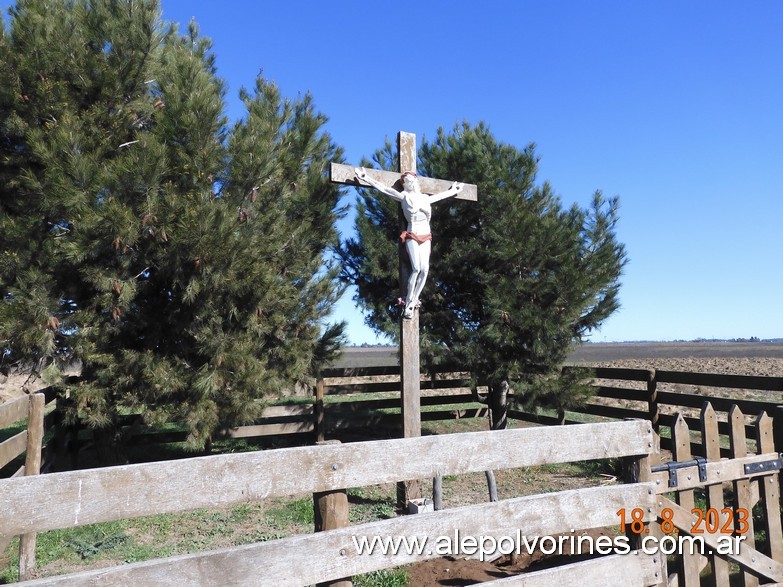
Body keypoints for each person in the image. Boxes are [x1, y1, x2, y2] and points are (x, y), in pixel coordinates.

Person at [355, 167, 463, 319]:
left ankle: (413, 300)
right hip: (413, 234)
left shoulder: (425, 198)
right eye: (405, 182)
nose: (407, 183)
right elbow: (384, 189)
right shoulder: (404, 196)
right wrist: (366, 177)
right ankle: (408, 299)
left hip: (426, 235)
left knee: (425, 269)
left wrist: (453, 191)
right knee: (416, 268)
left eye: (409, 181)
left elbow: (439, 197)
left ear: (415, 182)